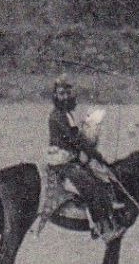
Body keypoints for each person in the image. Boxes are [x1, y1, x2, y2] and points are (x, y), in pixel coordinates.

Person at [46, 75, 120, 239]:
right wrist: (95, 155)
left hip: (69, 157)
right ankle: (99, 227)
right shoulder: (57, 116)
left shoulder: (67, 114)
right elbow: (75, 140)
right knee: (90, 184)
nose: (64, 97)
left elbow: (77, 138)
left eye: (66, 93)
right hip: (62, 161)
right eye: (60, 93)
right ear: (55, 96)